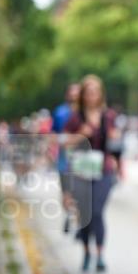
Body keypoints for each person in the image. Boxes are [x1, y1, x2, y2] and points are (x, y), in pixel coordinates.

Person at [65, 75, 120, 273]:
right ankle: (87, 252)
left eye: (95, 92)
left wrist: (115, 137)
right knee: (85, 213)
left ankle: (100, 254)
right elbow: (65, 143)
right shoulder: (75, 117)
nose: (92, 96)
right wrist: (80, 135)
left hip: (103, 169)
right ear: (83, 95)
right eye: (88, 93)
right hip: (82, 170)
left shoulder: (108, 116)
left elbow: (116, 139)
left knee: (97, 211)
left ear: (100, 94)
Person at [53, 83, 80, 233]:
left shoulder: (86, 112)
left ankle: (77, 220)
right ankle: (69, 214)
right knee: (66, 194)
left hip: (82, 161)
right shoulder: (60, 112)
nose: (74, 97)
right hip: (64, 160)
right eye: (72, 94)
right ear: (67, 95)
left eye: (77, 94)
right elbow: (53, 133)